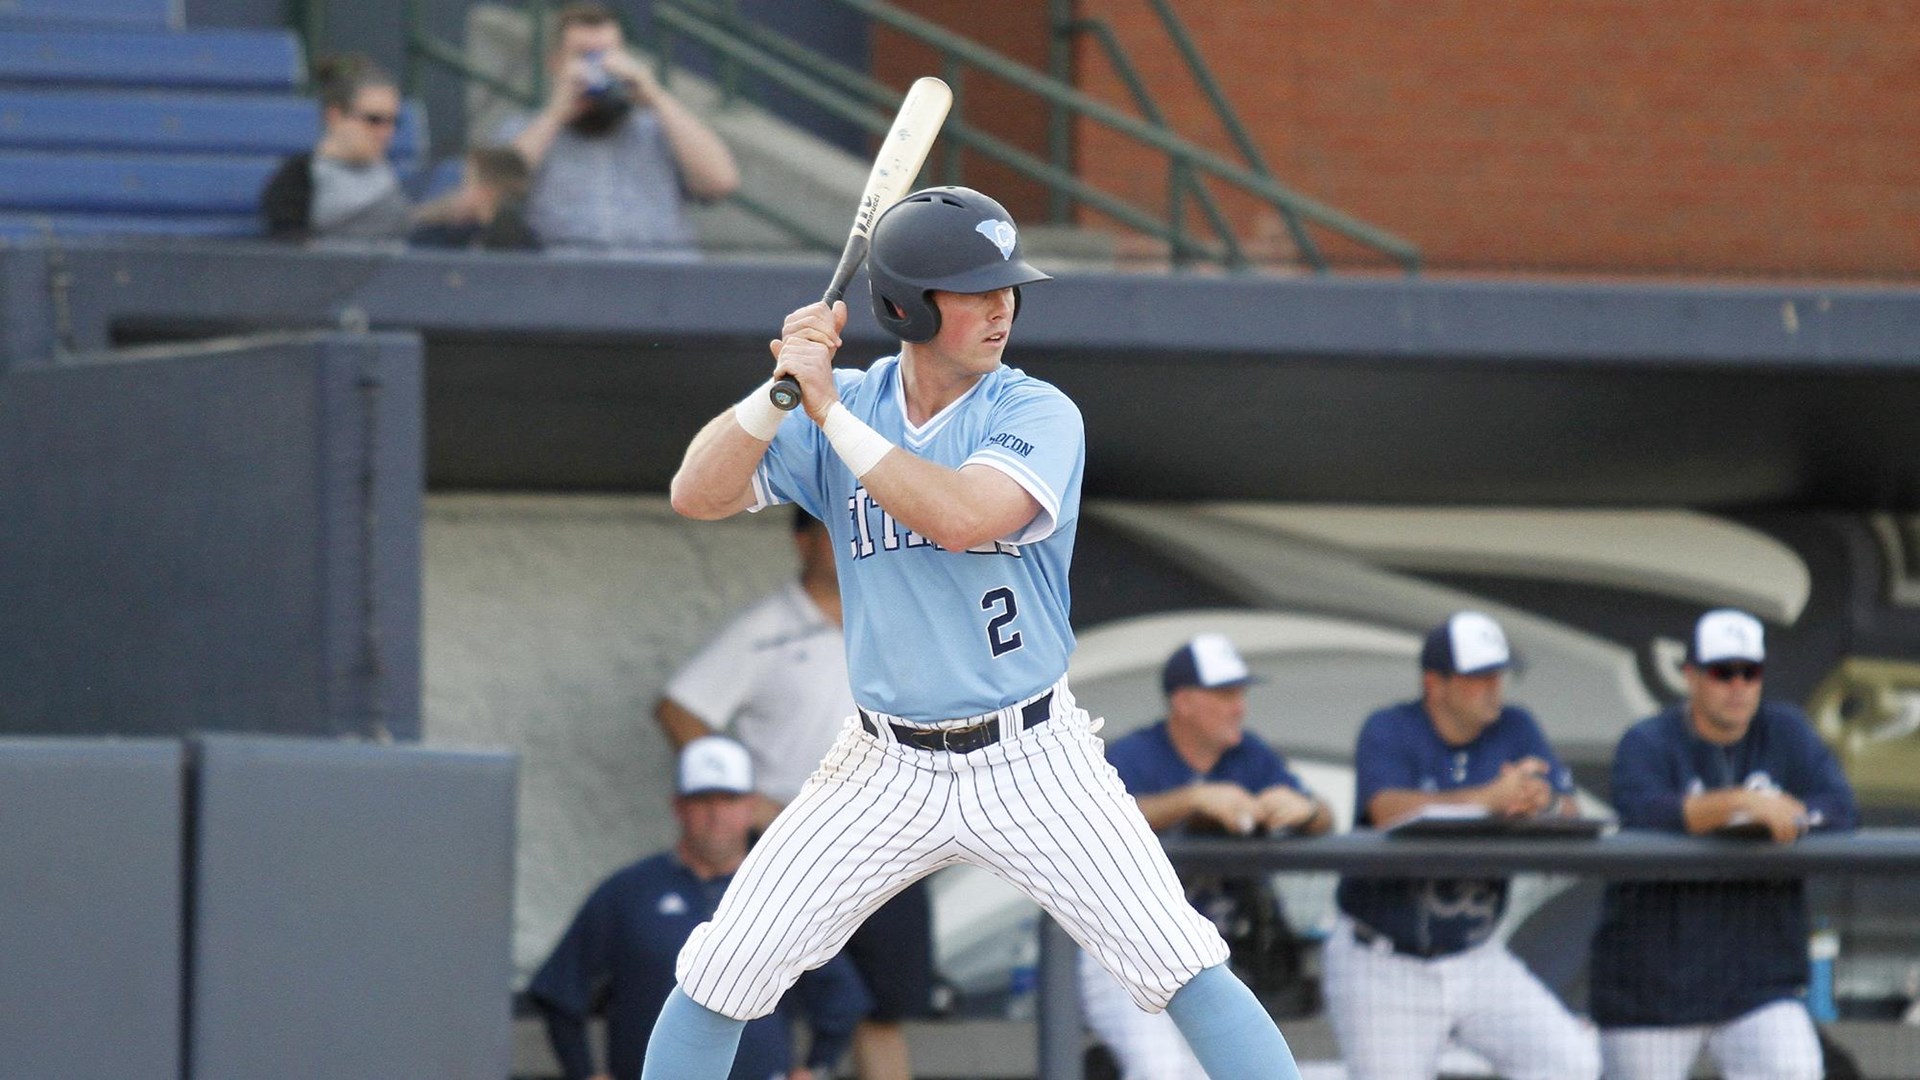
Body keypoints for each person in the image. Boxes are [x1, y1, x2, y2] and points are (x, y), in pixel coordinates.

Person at [641, 184, 1302, 1080]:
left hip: (1032, 754)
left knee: (1179, 960)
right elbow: (697, 494)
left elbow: (961, 516)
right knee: (723, 971)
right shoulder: (853, 399)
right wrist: (777, 395)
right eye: (974, 290)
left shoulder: (1032, 410)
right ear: (908, 306)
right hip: (883, 763)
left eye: (1008, 288)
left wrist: (829, 412)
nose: (1002, 307)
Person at [655, 506, 936, 1080]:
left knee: (884, 1007)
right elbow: (679, 708)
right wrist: (748, 799)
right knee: (767, 991)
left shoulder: (899, 619)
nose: (849, 546)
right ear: (802, 541)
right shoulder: (768, 628)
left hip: (890, 835)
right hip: (794, 838)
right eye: (832, 533)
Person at [1324, 610, 1599, 1080]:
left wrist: (1542, 800)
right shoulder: (1390, 727)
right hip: (1384, 961)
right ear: (1436, 683)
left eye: (1500, 674)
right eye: (1478, 676)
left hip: (1475, 954)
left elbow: (1568, 810)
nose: (1494, 686)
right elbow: (1388, 809)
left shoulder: (1515, 726)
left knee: (1571, 1064)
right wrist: (1488, 799)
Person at [1589, 609, 1860, 1080]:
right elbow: (1644, 811)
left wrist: (1788, 814)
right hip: (1651, 990)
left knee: (1794, 1068)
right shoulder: (1648, 741)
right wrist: (1743, 804)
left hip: (1755, 987)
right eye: (1722, 672)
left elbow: (1841, 811)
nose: (1738, 686)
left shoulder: (1786, 731)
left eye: (1749, 672)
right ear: (1690, 675)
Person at [528, 736, 870, 1080]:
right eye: (702, 800)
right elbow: (559, 991)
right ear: (678, 807)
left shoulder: (782, 893)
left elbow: (842, 997)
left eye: (729, 799)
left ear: (751, 807)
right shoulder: (627, 891)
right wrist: (583, 1072)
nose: (715, 814)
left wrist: (816, 1068)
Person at [1084, 633, 1334, 1080]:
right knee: (1159, 1070)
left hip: (1211, 951)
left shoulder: (1248, 754)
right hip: (1125, 948)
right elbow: (1089, 824)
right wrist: (1192, 800)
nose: (1238, 706)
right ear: (1183, 702)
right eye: (1223, 694)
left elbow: (1325, 819)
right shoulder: (1135, 753)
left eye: (1239, 693)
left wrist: (1307, 809)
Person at [497, 2, 739, 253]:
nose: (598, 68)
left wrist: (656, 96)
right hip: (569, 284)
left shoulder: (659, 126)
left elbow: (721, 183)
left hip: (660, 282)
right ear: (556, 63)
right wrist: (556, 114)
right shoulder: (525, 128)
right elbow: (488, 192)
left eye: (606, 55)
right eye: (585, 56)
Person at [260, 53, 413, 243]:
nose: (386, 132)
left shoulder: (388, 173)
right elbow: (291, 250)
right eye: (374, 120)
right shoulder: (297, 178)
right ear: (335, 116)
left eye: (393, 122)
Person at [408, 145, 540, 251]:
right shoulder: (436, 235)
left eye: (468, 182)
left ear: (487, 191)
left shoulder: (520, 244)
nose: (460, 191)